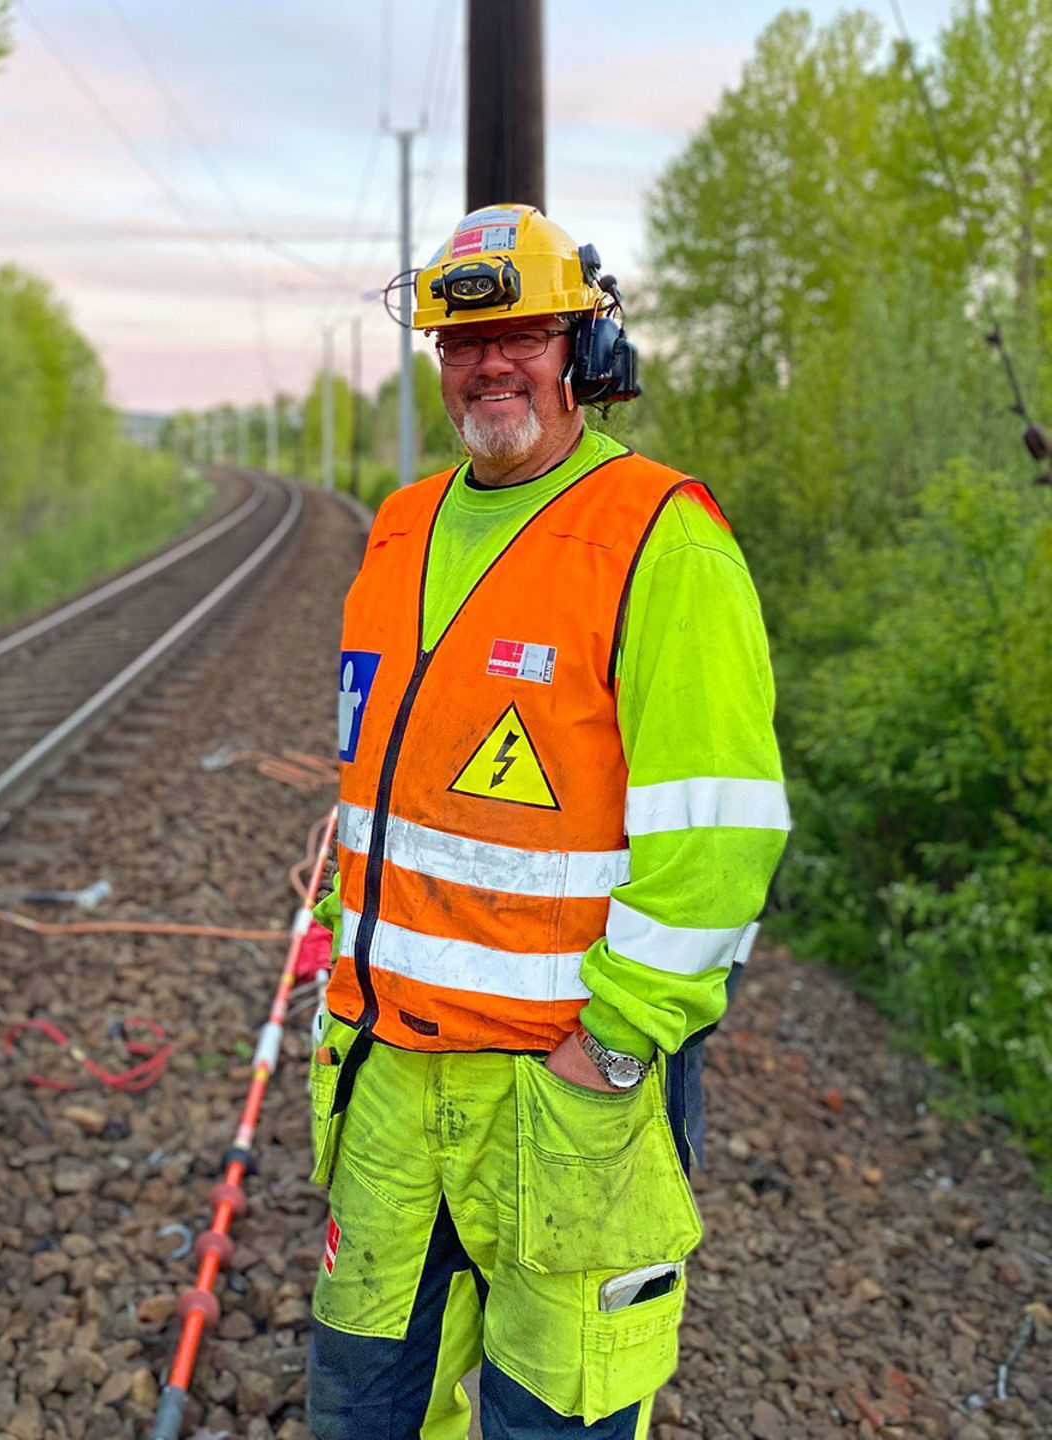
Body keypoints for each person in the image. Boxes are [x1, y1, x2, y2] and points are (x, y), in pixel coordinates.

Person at [306, 204, 789, 1440]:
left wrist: (617, 1047)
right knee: (365, 1413)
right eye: (463, 342)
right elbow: (380, 792)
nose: (491, 364)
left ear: (586, 345)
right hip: (389, 1089)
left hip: (557, 1096)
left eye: (523, 332)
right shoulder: (401, 526)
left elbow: (719, 839)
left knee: (550, 1421)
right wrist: (336, 955)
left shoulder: (660, 538)